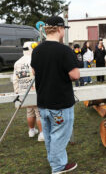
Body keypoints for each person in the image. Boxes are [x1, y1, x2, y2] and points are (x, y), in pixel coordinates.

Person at [31, 16, 79, 174]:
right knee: (59, 135)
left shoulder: (37, 50)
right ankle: (58, 167)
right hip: (60, 103)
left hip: (43, 102)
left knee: (50, 135)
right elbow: (75, 75)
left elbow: (34, 72)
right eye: (64, 29)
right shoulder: (64, 50)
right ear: (60, 29)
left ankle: (54, 162)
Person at [13, 41, 44, 142]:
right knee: (39, 113)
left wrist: (17, 92)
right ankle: (42, 134)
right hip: (35, 90)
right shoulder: (36, 60)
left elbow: (15, 79)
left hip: (23, 91)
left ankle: (31, 131)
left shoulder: (17, 62)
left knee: (29, 111)